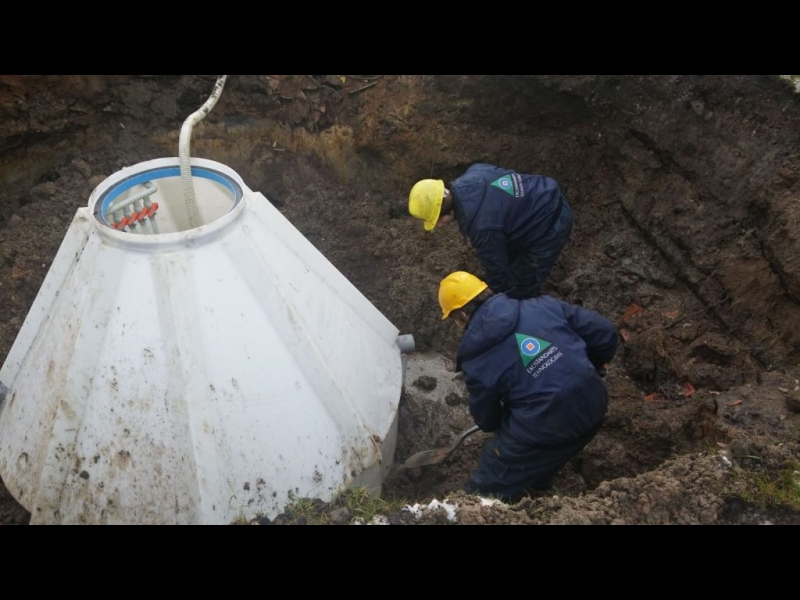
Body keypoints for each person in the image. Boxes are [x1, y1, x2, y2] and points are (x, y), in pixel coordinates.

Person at [438, 270, 618, 503]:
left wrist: (511, 409)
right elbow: (606, 334)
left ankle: (480, 508)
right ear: (486, 291)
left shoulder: (476, 360)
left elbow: (487, 420)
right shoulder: (543, 305)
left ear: (462, 315)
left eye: (454, 319)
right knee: (547, 449)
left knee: (490, 474)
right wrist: (591, 368)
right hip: (594, 405)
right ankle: (537, 483)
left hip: (548, 428)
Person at [409, 164, 574, 299]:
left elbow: (498, 271)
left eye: (436, 222)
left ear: (441, 216)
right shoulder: (475, 171)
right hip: (543, 192)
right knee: (509, 253)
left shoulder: (481, 227)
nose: (439, 226)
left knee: (520, 284)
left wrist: (498, 298)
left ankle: (525, 310)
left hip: (552, 222)